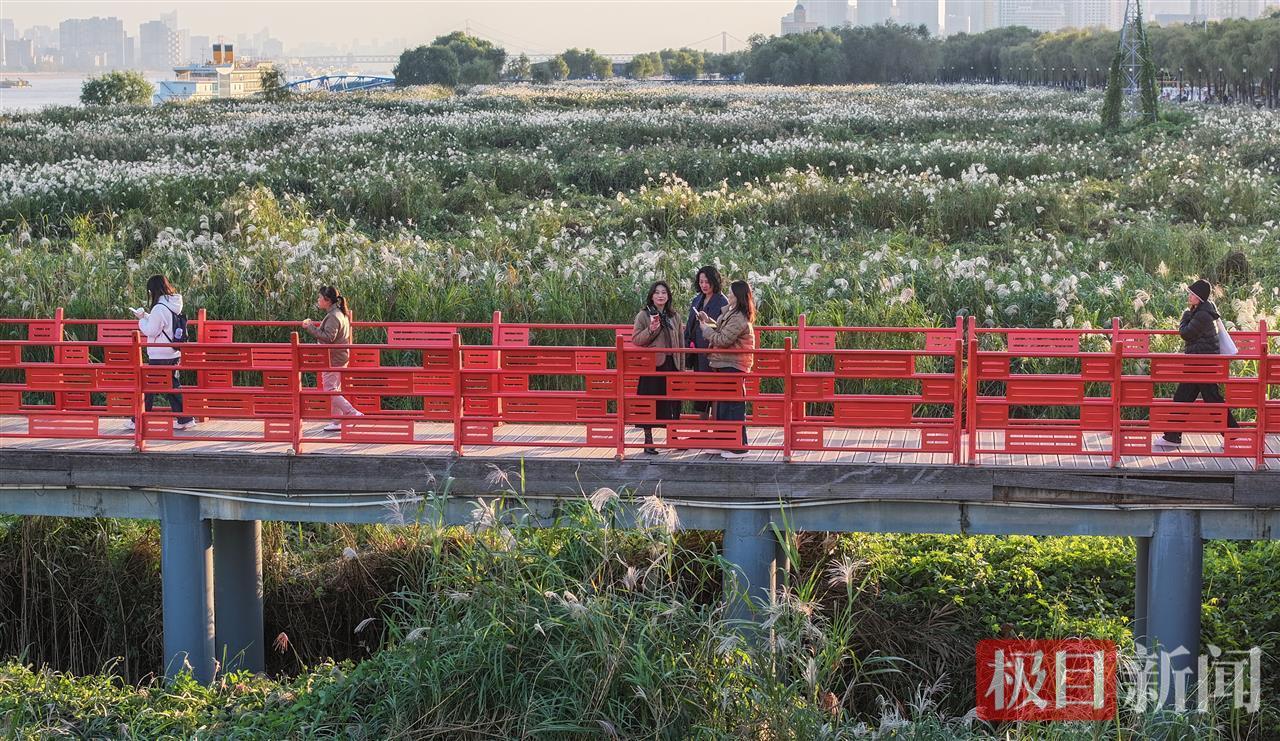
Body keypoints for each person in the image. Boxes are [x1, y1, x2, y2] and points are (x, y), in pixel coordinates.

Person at [1156, 279, 1239, 448]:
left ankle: (1234, 435)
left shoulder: (1201, 314)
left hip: (1203, 364)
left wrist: (1185, 316)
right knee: (1183, 397)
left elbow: (1186, 333)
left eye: (1192, 294)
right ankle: (1172, 436)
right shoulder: (1203, 311)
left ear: (1199, 297)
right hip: (1199, 363)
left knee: (1212, 399)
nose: (1189, 296)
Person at [127, 274, 195, 431]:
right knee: (171, 386)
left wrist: (140, 320)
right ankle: (185, 419)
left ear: (153, 290)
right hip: (173, 353)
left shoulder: (159, 307)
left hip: (159, 355)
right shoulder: (172, 304)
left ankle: (138, 420)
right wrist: (146, 316)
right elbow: (164, 323)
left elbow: (151, 330)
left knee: (148, 387)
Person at [700, 279, 756, 459]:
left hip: (734, 365)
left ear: (738, 296)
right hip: (724, 363)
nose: (728, 295)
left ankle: (739, 447)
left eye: (731, 293)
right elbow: (722, 330)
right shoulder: (733, 314)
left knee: (733, 406)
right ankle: (723, 442)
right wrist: (708, 322)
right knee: (722, 405)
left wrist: (705, 330)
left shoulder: (739, 317)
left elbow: (724, 340)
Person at [302, 286, 363, 432]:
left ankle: (352, 413)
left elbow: (328, 338)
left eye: (319, 298)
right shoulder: (338, 313)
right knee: (334, 389)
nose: (318, 300)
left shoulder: (334, 316)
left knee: (330, 390)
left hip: (333, 358)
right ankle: (337, 422)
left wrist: (309, 327)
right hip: (339, 356)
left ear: (327, 300)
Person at [632, 281, 683, 454]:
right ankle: (648, 440)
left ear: (668, 296)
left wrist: (681, 364)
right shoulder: (644, 315)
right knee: (650, 400)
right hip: (652, 365)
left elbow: (681, 341)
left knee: (673, 402)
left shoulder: (674, 315)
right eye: (657, 292)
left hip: (672, 363)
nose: (661, 296)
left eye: (664, 293)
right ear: (651, 295)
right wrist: (651, 329)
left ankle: (674, 437)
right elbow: (637, 339)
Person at [684, 266, 728, 420]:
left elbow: (723, 328)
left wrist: (706, 322)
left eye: (707, 282)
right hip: (696, 350)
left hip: (713, 351)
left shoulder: (723, 302)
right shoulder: (697, 299)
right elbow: (689, 324)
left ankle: (715, 429)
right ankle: (702, 428)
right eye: (701, 282)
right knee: (700, 389)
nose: (704, 285)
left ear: (714, 282)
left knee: (713, 389)